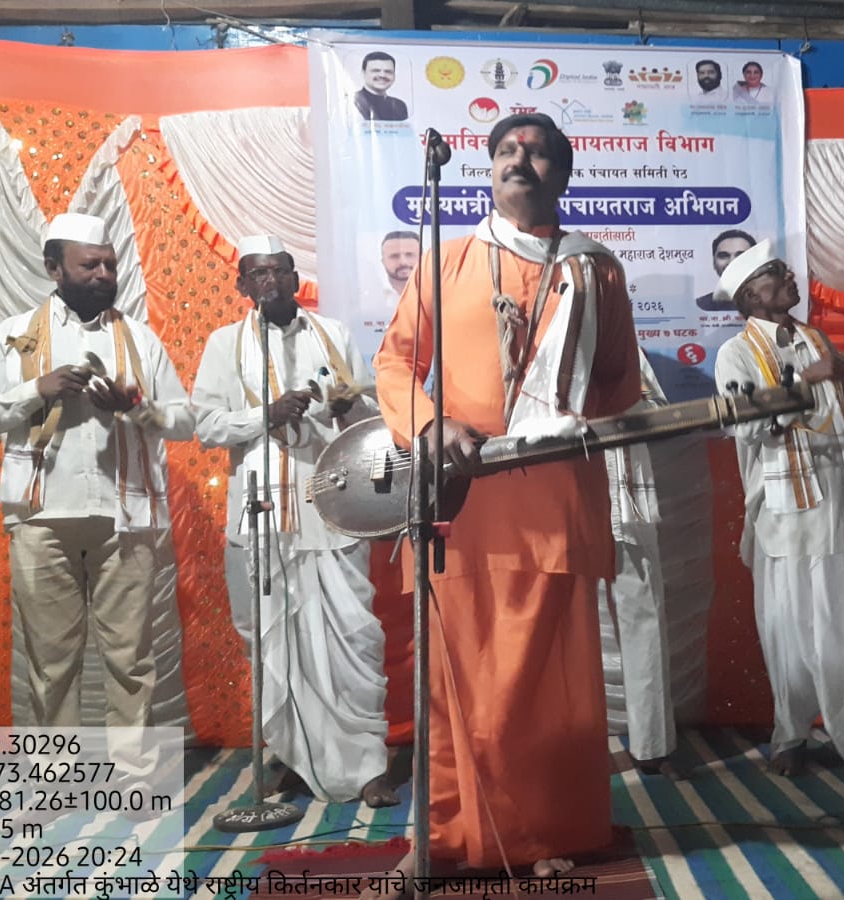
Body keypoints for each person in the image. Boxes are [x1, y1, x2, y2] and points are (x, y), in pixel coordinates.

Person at [371, 113, 641, 881]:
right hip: (461, 498)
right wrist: (432, 425)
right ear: (488, 169)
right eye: (507, 150)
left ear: (563, 175)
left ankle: (545, 833)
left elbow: (620, 381)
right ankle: (447, 837)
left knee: (546, 675)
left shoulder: (596, 269)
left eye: (539, 152)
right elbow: (394, 365)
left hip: (555, 494)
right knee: (455, 673)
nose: (520, 160)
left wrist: (561, 419)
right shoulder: (447, 260)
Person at [0, 212, 194, 727]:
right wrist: (34, 390)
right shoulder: (14, 334)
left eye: (109, 265)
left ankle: (132, 770)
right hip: (41, 518)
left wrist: (135, 407)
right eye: (89, 266)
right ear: (54, 269)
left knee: (131, 660)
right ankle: (57, 769)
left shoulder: (140, 339)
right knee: (50, 664)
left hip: (124, 517)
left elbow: (184, 421)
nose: (104, 275)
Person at [192, 235, 393, 806]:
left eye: (279, 271)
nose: (270, 281)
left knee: (350, 634)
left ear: (295, 277)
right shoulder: (225, 344)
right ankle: (296, 756)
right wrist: (266, 413)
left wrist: (348, 405)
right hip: (263, 514)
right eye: (257, 274)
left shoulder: (333, 334)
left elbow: (373, 413)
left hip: (332, 508)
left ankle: (367, 764)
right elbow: (205, 425)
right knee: (272, 639)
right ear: (241, 284)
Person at [713, 241, 844, 776]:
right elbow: (747, 427)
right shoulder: (735, 354)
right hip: (785, 510)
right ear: (751, 297)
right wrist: (806, 383)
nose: (789, 275)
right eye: (775, 273)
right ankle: (791, 734)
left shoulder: (815, 339)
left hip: (837, 496)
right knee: (789, 626)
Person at [602, 349, 682, 778]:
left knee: (644, 621)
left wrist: (619, 403)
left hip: (627, 500)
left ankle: (652, 746)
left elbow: (658, 411)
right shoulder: (542, 347)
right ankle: (566, 743)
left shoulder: (626, 352)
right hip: (565, 504)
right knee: (562, 629)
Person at [696, 229, 755, 311]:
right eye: (723, 256)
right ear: (714, 263)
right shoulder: (700, 307)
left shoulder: (771, 303)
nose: (731, 263)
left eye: (741, 256)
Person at [354, 52, 409, 122]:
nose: (382, 75)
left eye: (388, 71)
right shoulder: (352, 102)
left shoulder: (399, 106)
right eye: (376, 71)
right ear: (363, 73)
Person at [380, 230, 420, 308]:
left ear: (423, 258)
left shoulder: (439, 293)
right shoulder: (372, 298)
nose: (403, 262)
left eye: (409, 255)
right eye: (394, 256)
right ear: (383, 262)